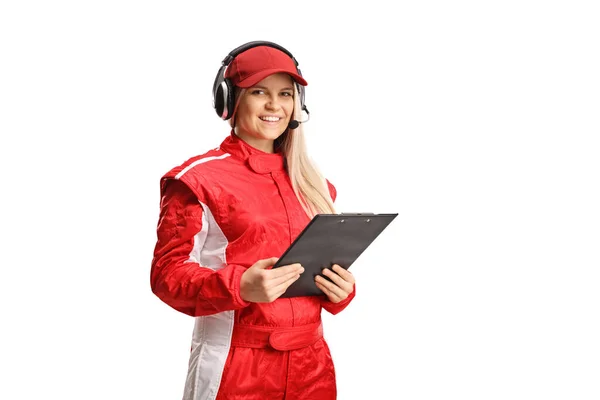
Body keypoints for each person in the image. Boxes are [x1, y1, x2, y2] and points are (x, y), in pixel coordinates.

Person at [150, 41, 356, 400]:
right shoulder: (198, 180)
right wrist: (241, 286)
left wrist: (341, 290)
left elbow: (317, 271)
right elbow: (167, 275)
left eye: (285, 94)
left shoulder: (314, 184)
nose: (275, 105)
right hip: (236, 367)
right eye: (259, 91)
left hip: (313, 368)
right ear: (229, 101)